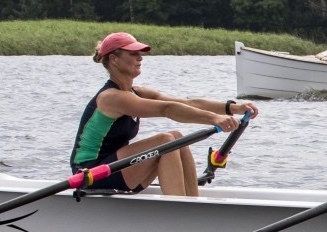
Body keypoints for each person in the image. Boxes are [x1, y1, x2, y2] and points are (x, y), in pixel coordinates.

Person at [71, 32, 256, 196]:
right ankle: (178, 211)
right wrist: (214, 119)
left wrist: (233, 108)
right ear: (114, 59)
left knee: (177, 137)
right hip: (90, 173)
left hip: (115, 168)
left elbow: (186, 103)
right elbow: (166, 109)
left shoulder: (136, 92)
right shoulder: (111, 97)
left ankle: (192, 203)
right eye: (133, 53)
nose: (140, 58)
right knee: (166, 141)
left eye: (140, 53)